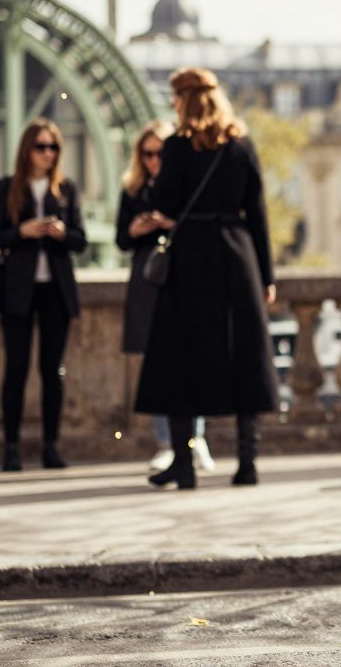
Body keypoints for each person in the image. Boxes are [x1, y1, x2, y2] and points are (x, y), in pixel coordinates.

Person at [135, 67, 278, 489]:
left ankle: (183, 465)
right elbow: (258, 214)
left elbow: (165, 203)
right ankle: (247, 464)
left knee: (180, 358)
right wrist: (266, 276)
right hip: (237, 256)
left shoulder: (177, 147)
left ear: (183, 100)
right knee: (243, 357)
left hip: (191, 258)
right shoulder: (241, 145)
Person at [0, 118, 88, 472]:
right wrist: (22, 231)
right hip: (18, 290)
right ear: (27, 150)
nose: (47, 153)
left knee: (53, 370)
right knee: (16, 367)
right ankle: (11, 447)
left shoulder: (67, 189)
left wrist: (61, 232)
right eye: (41, 146)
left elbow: (81, 240)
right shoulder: (7, 187)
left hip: (56, 289)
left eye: (53, 147)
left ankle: (51, 446)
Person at [115, 121, 213, 472]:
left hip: (184, 274)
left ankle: (195, 438)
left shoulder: (187, 184)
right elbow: (121, 240)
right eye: (148, 154)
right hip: (149, 277)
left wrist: (172, 223)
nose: (154, 160)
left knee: (192, 359)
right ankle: (167, 442)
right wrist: (136, 228)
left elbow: (204, 226)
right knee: (155, 363)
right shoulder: (133, 189)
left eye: (160, 153)